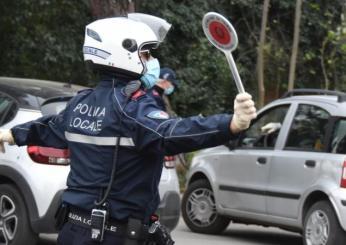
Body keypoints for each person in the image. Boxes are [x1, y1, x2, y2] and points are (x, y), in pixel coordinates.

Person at [0, 13, 256, 245]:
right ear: (124, 53)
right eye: (147, 54)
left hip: (74, 233)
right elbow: (172, 132)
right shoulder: (131, 109)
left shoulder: (79, 103)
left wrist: (11, 133)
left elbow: (47, 127)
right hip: (114, 235)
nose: (153, 61)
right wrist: (230, 124)